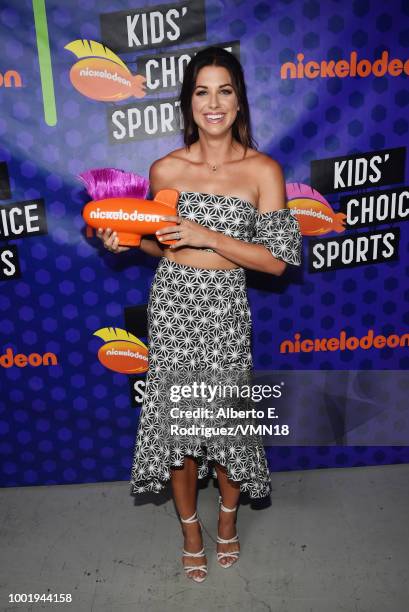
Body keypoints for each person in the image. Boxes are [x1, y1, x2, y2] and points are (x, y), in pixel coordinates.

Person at [96, 46, 302, 583]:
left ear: (239, 101)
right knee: (180, 428)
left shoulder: (263, 170)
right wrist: (126, 241)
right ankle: (190, 530)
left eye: (225, 90)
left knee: (228, 425)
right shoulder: (166, 168)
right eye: (201, 91)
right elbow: (161, 245)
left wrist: (205, 234)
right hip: (174, 306)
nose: (214, 103)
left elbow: (278, 262)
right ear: (188, 103)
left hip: (226, 308)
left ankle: (227, 521)